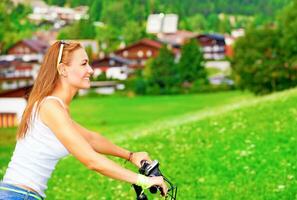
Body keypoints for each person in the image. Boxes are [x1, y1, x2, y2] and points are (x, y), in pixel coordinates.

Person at [0, 41, 168, 200]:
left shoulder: (55, 107)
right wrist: (144, 180)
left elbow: (91, 139)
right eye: (83, 64)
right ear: (63, 69)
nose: (91, 70)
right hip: (19, 195)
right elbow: (91, 160)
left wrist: (130, 156)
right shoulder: (51, 107)